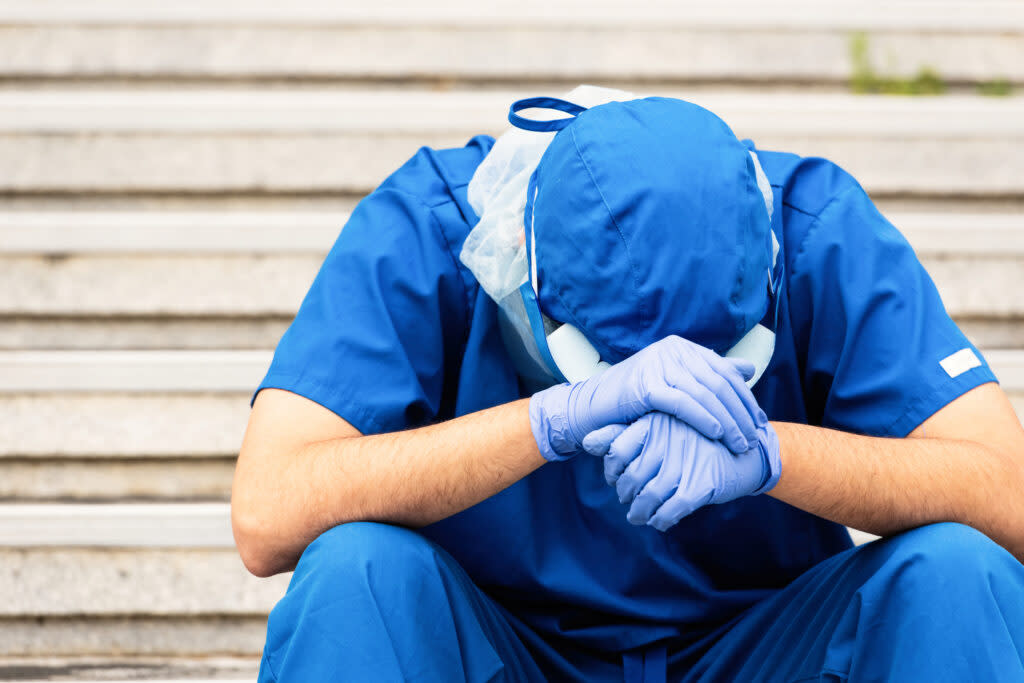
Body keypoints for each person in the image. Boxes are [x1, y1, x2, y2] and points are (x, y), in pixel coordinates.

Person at [232, 86, 1024, 682]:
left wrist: (771, 454)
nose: (662, 401)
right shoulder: (435, 228)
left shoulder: (815, 228)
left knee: (959, 571)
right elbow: (270, 510)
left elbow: (1008, 494)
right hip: (501, 646)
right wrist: (548, 421)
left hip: (756, 645)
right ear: (521, 263)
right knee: (355, 571)